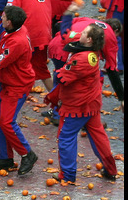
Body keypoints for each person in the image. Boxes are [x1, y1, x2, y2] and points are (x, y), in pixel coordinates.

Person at [44, 23, 118, 183]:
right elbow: (68, 35)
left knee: (65, 137)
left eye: (83, 32)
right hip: (91, 103)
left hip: (77, 106)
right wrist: (69, 16)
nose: (80, 33)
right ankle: (110, 169)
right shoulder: (90, 52)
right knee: (98, 136)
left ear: (89, 39)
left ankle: (68, 174)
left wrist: (59, 70)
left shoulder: (84, 59)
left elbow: (63, 78)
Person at [0, 4, 39, 174]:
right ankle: (5, 157)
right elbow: (5, 44)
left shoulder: (17, 41)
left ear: (10, 22)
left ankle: (27, 154)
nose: (1, 19)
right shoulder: (15, 31)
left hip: (17, 85)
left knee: (6, 122)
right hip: (9, 82)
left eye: (4, 17)